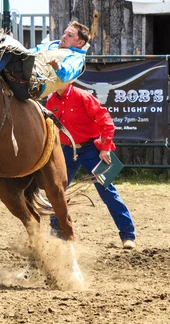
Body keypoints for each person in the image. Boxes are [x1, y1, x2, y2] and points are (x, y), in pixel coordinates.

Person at [46, 82, 136, 249]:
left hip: (91, 149)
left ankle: (128, 235)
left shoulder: (82, 96)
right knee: (57, 191)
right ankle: (56, 234)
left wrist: (105, 148)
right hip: (67, 150)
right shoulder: (51, 101)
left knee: (107, 190)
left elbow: (106, 120)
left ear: (68, 80)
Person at [0, 21, 90, 100]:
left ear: (80, 42)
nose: (64, 37)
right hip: (26, 71)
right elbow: (31, 51)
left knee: (9, 49)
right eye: (65, 33)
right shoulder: (53, 44)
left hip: (34, 85)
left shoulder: (77, 58)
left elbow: (66, 75)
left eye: (70, 35)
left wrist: (58, 67)